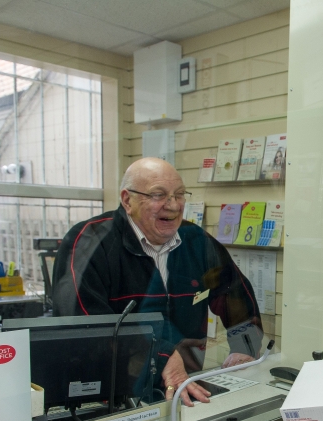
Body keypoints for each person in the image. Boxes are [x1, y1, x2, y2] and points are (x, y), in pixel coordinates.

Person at [53, 157, 264, 406]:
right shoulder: (88, 242)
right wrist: (163, 356)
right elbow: (87, 326)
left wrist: (244, 345)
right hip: (109, 398)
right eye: (158, 195)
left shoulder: (195, 241)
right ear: (127, 200)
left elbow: (235, 294)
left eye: (180, 194)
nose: (173, 205)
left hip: (184, 391)